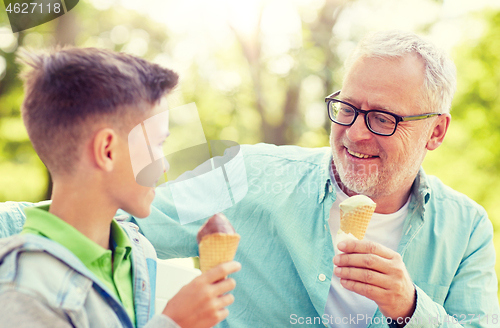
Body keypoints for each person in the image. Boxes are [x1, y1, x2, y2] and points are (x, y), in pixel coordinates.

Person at [1, 30, 499, 327]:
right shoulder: (249, 172)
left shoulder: (467, 229)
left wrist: (410, 309)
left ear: (436, 132)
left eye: (383, 119)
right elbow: (113, 209)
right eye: (346, 108)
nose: (354, 134)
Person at [0, 48, 240, 328]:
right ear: (107, 150)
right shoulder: (22, 288)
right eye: (157, 145)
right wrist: (174, 323)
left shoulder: (137, 251)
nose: (163, 165)